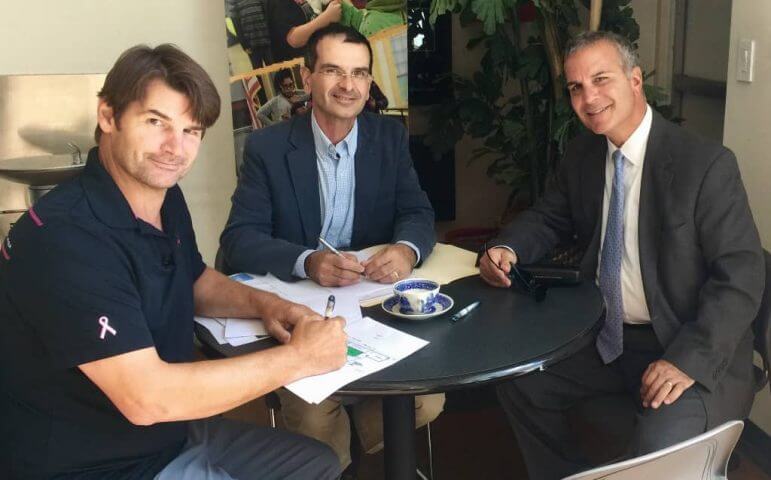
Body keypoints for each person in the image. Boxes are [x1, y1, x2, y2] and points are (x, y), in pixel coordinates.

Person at [0, 44, 347, 480]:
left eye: (191, 130)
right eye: (155, 122)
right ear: (108, 116)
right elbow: (147, 398)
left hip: (168, 435)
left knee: (318, 464)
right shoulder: (65, 236)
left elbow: (193, 278)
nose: (174, 148)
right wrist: (302, 358)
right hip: (95, 462)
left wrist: (270, 307)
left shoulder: (163, 196)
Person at [480, 31, 765, 480]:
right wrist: (505, 248)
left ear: (635, 81)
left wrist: (686, 359)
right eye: (576, 87)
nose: (588, 97)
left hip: (685, 343)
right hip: (608, 341)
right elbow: (549, 217)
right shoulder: (582, 155)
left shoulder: (704, 165)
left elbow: (742, 275)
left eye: (601, 79)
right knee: (520, 383)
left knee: (657, 452)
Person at [220, 24, 444, 472]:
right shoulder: (267, 148)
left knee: (427, 400)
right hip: (303, 314)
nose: (348, 85)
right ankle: (334, 461)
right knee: (315, 419)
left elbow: (418, 212)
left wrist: (404, 250)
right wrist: (308, 261)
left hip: (374, 310)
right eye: (334, 71)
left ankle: (354, 451)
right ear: (307, 79)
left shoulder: (389, 138)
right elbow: (238, 239)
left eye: (359, 74)